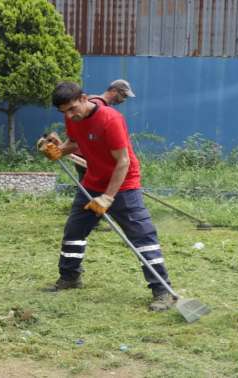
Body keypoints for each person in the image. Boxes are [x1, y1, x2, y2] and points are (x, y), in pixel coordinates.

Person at [37, 81, 174, 312]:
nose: (70, 115)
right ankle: (70, 277)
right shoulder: (73, 118)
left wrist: (108, 197)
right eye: (64, 112)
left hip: (123, 185)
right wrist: (58, 150)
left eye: (72, 109)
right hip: (92, 182)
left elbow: (123, 161)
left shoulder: (110, 119)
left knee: (142, 236)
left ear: (84, 98)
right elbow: (75, 142)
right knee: (74, 231)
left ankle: (162, 291)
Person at [70, 79, 136, 180]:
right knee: (91, 189)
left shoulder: (99, 104)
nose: (124, 99)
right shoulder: (96, 105)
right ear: (114, 91)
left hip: (88, 155)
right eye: (123, 95)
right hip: (86, 157)